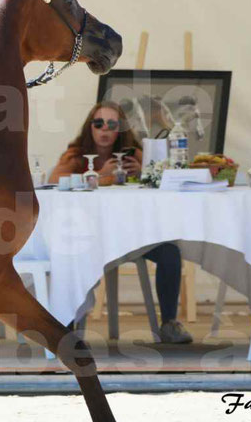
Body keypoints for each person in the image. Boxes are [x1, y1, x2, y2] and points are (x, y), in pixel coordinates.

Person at [47, 101, 192, 344]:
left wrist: (145, 170)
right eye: (99, 123)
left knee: (170, 253)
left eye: (112, 124)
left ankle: (169, 322)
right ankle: (67, 325)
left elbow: (164, 182)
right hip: (89, 236)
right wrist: (98, 174)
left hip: (133, 235)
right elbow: (54, 180)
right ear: (90, 127)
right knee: (68, 255)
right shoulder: (77, 155)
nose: (104, 129)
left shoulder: (134, 153)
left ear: (120, 129)